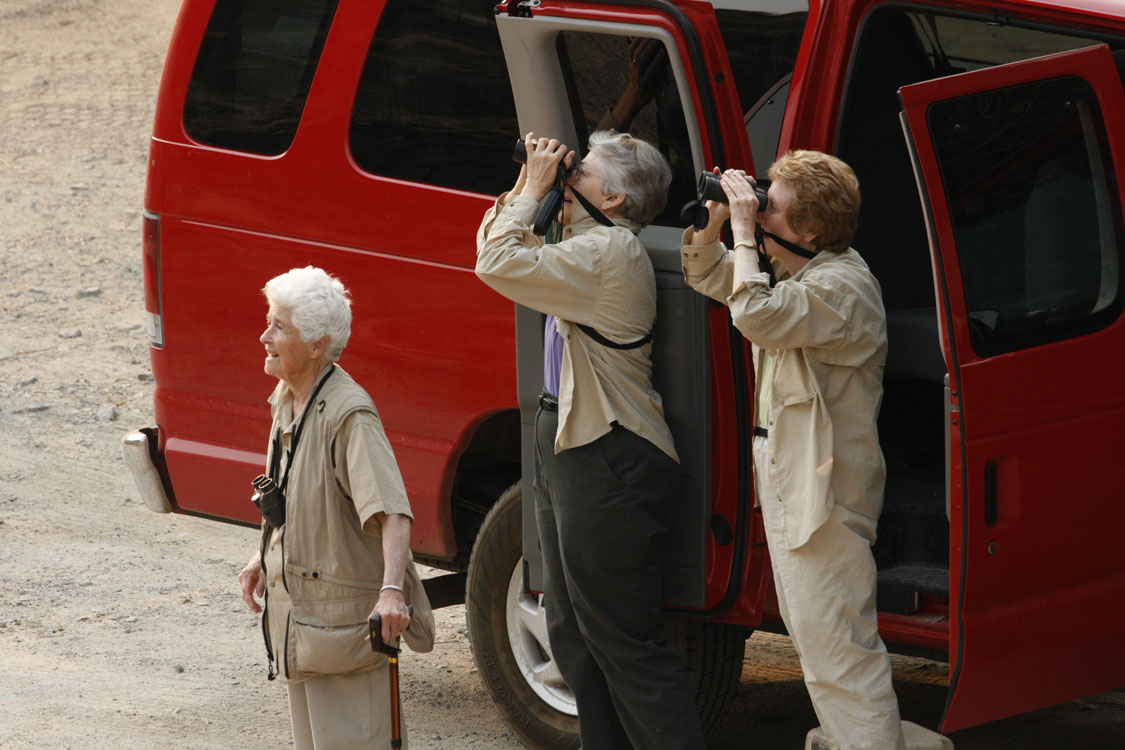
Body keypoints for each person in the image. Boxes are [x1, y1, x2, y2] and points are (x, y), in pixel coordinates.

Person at [681, 151, 939, 750]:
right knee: (819, 642)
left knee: (839, 652)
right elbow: (709, 275)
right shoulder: (799, 274)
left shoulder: (842, 288)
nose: (761, 207)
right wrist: (721, 222)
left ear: (813, 229)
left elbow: (755, 314)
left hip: (825, 492)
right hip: (793, 479)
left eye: (774, 205)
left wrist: (747, 231)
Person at [475, 131, 706, 750]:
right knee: (571, 630)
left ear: (614, 196)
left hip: (611, 451)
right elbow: (501, 244)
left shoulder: (608, 251)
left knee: (622, 640)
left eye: (581, 172)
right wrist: (533, 187)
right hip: (571, 438)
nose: (565, 175)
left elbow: (494, 262)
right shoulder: (583, 242)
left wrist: (533, 189)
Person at [237, 266, 433, 750]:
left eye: (279, 326)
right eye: (270, 321)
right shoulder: (288, 398)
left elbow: (393, 513)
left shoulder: (350, 415)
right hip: (303, 628)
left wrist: (391, 593)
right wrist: (266, 556)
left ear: (317, 344)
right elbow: (302, 503)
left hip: (343, 634)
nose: (265, 336)